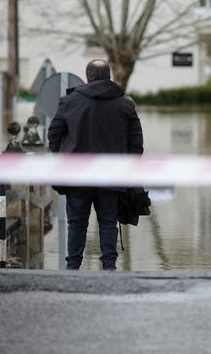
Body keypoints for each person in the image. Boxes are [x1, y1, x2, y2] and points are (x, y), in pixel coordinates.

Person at [48, 59, 143, 270]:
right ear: (108, 76)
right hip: (112, 176)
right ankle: (109, 267)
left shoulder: (69, 102)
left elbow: (54, 134)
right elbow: (136, 143)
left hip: (77, 175)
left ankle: (72, 268)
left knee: (77, 224)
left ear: (87, 76)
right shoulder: (125, 105)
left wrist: (62, 159)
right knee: (109, 222)